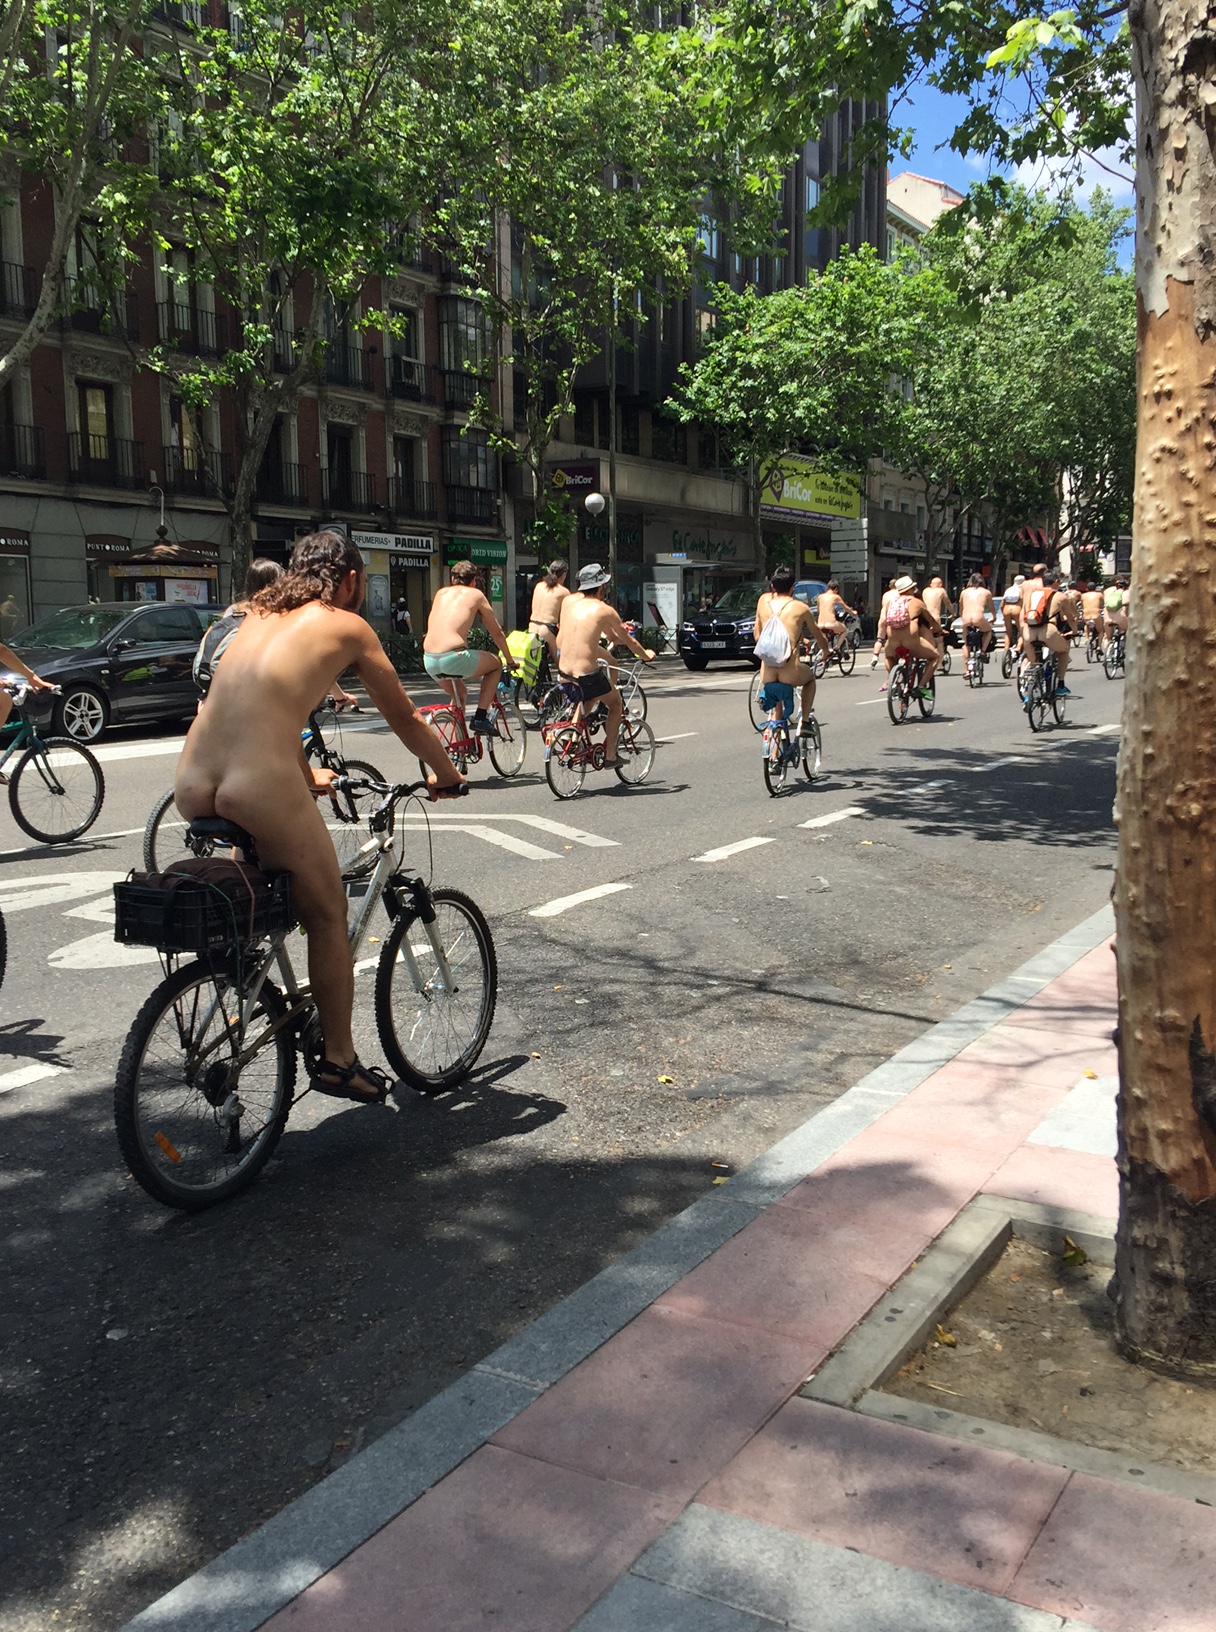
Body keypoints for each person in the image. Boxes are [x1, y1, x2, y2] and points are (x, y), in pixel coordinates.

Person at [174, 529, 465, 1104]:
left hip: (192, 780)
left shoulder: (252, 616)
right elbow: (405, 718)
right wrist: (447, 774)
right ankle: (338, 1060)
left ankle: (243, 985)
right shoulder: (345, 625)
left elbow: (260, 709)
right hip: (255, 785)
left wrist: (306, 775)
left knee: (264, 894)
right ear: (352, 580)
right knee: (329, 911)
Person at [556, 563, 654, 764]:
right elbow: (629, 642)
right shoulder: (605, 610)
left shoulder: (570, 606)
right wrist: (646, 655)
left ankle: (573, 733)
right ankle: (610, 756)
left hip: (563, 674)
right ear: (601, 587)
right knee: (616, 704)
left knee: (591, 694)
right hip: (586, 676)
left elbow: (560, 641)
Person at [422, 560, 516, 732]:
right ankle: (480, 717)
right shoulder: (476, 595)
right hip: (454, 657)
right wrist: (509, 661)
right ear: (473, 581)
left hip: (429, 660)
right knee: (496, 664)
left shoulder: (441, 593)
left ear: (452, 579)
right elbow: (497, 633)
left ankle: (458, 743)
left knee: (460, 694)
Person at [754, 564, 830, 730]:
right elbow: (819, 636)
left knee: (777, 711)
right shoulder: (801, 608)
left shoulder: (762, 603)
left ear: (773, 586)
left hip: (767, 674)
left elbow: (757, 635)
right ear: (792, 587)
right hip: (790, 673)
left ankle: (775, 740)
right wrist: (826, 651)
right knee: (810, 679)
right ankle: (805, 721)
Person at [877, 574, 941, 693]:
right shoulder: (916, 602)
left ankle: (895, 680)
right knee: (935, 657)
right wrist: (940, 630)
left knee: (889, 657)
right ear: (910, 589)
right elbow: (931, 621)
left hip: (893, 642)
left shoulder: (889, 604)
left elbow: (884, 622)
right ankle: (921, 687)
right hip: (911, 641)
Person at [1023, 565, 1074, 694]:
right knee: (1064, 650)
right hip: (1047, 631)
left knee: (1034, 665)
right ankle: (1061, 685)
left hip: (1029, 632)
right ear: (1056, 581)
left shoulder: (1030, 594)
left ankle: (1029, 691)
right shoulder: (1060, 596)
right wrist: (1074, 631)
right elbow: (1070, 617)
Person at [528, 561, 570, 663]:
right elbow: (568, 617)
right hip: (547, 629)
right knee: (562, 663)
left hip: (532, 627)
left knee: (534, 664)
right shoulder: (564, 592)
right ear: (564, 575)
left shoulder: (538, 586)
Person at [959, 573, 996, 661]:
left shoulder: (964, 592)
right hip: (978, 617)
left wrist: (962, 616)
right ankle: (982, 652)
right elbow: (992, 608)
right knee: (988, 631)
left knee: (966, 644)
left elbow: (961, 608)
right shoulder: (986, 592)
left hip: (966, 618)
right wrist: (994, 617)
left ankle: (967, 668)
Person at [815, 580, 856, 659]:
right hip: (831, 623)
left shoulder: (820, 597)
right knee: (844, 630)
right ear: (836, 589)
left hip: (820, 624)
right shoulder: (835, 596)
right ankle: (837, 647)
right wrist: (852, 612)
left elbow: (818, 610)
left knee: (825, 644)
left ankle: (824, 662)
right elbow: (845, 607)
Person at [1001, 574, 1025, 653]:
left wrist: (1003, 614)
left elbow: (1002, 604)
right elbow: (1023, 601)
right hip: (1017, 609)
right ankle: (1018, 647)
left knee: (1008, 632)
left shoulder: (1008, 589)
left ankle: (1006, 648)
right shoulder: (1022, 590)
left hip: (1006, 609)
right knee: (1022, 630)